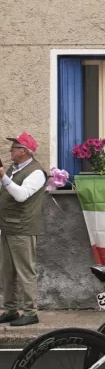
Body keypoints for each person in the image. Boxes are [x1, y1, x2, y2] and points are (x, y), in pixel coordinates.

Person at [0, 133, 46, 327]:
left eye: (14, 147)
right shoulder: (14, 168)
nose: (10, 150)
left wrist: (3, 177)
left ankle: (30, 312)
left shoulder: (36, 172)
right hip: (7, 226)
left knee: (25, 271)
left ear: (24, 151)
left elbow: (21, 195)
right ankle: (10, 309)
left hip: (23, 228)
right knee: (7, 271)